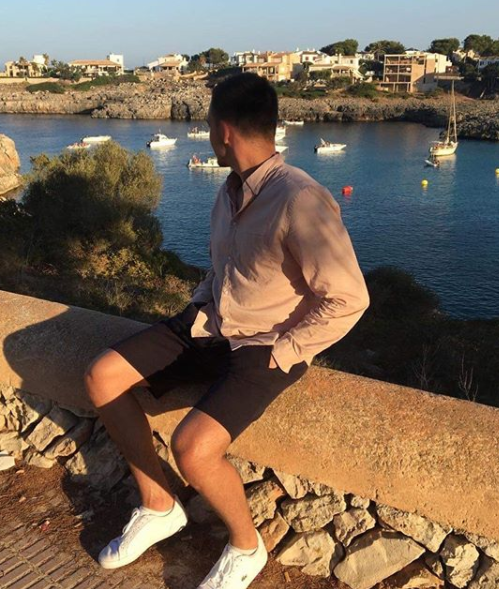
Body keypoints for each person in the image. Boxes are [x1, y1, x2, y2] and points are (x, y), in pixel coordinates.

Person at [84, 72, 370, 589]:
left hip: (265, 344)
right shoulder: (230, 191)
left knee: (192, 449)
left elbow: (350, 297)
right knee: (102, 376)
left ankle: (246, 545)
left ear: (224, 131)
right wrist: (201, 300)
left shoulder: (300, 199)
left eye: (209, 123)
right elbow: (228, 267)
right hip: (209, 322)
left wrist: (287, 350)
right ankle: (158, 503)